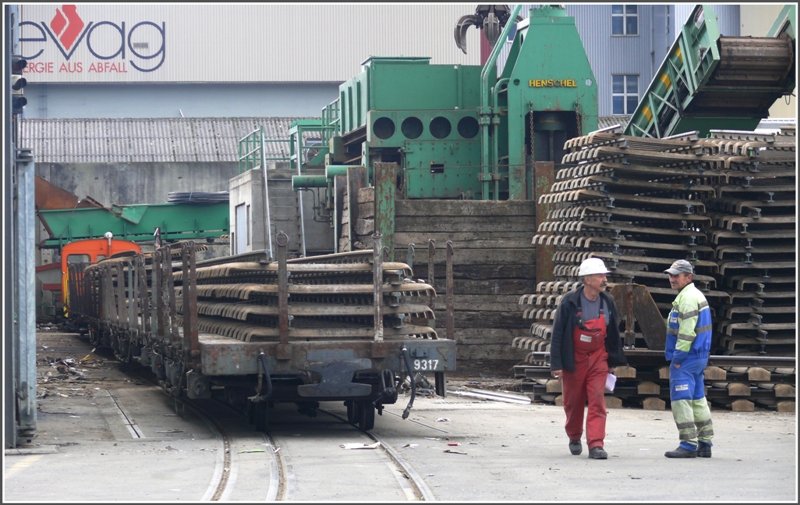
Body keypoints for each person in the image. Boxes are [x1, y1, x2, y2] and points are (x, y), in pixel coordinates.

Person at [550, 257, 628, 460]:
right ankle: (574, 436)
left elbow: (613, 334)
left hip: (598, 358)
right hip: (574, 359)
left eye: (604, 276)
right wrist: (557, 364)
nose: (604, 279)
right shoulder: (569, 302)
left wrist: (612, 362)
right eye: (600, 275)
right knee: (573, 402)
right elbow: (558, 333)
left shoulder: (607, 301)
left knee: (596, 399)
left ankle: (596, 444)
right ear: (587, 279)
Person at [663, 259, 714, 458]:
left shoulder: (688, 298)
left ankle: (688, 444)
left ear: (688, 277)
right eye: (671, 275)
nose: (672, 279)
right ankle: (705, 442)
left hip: (687, 358)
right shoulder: (693, 295)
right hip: (698, 357)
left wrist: (677, 357)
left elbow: (686, 333)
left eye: (676, 275)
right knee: (698, 399)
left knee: (681, 400)